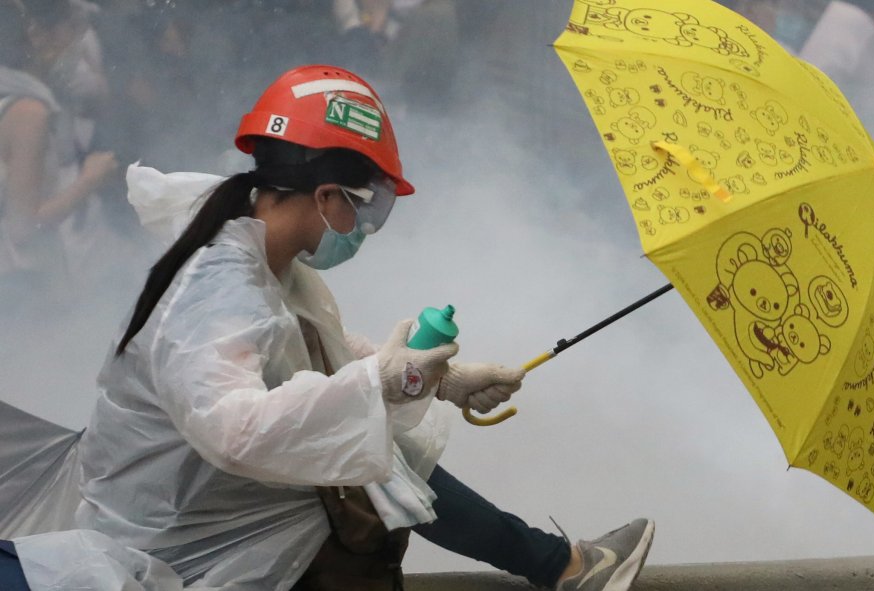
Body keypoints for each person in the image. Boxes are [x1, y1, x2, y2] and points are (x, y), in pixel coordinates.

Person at [75, 64, 654, 590]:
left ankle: (561, 566)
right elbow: (233, 430)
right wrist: (380, 379)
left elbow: (307, 353)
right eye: (368, 206)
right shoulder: (217, 287)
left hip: (212, 505)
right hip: (177, 539)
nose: (366, 226)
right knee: (377, 467)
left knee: (375, 449)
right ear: (326, 195)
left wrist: (441, 381)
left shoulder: (258, 249)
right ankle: (564, 567)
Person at [0, 0, 118, 307]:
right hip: (20, 285)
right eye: (74, 28)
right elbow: (24, 227)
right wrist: (90, 180)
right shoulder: (27, 111)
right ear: (38, 35)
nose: (78, 41)